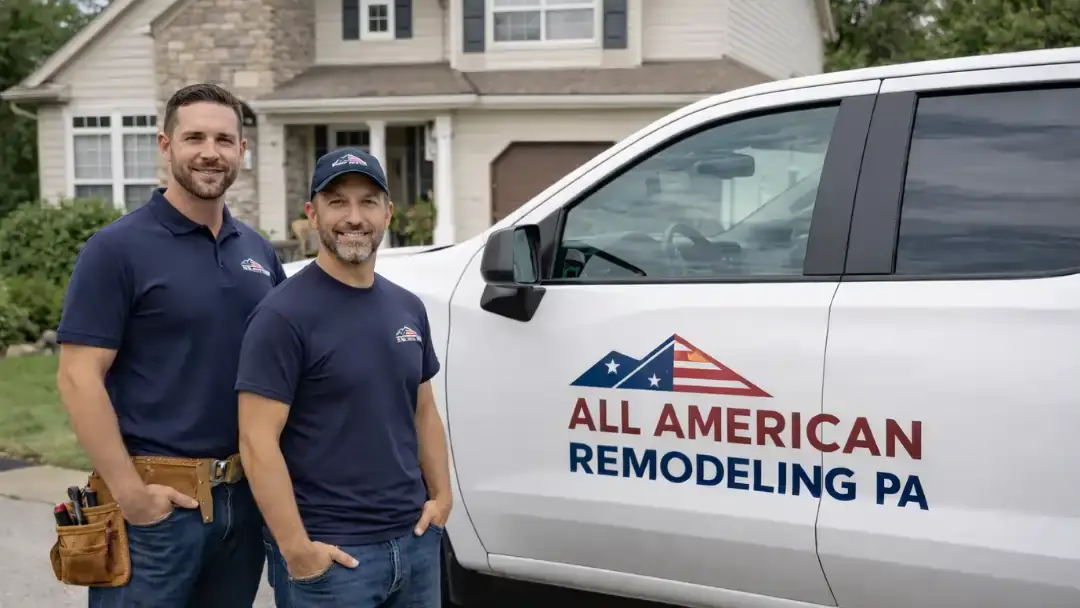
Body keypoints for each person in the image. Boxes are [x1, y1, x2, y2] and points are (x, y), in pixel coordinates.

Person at [54, 83, 287, 607]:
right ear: (165, 146)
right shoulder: (116, 249)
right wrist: (132, 497)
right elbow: (77, 377)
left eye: (225, 139)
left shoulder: (257, 253)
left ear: (242, 153)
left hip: (241, 504)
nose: (211, 151)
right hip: (156, 509)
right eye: (195, 137)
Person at [234, 147, 453, 607]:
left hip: (414, 542)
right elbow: (257, 442)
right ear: (312, 214)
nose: (354, 217)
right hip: (333, 556)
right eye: (338, 202)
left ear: (387, 213)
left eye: (368, 201)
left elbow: (424, 410)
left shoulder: (407, 307)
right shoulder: (282, 315)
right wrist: (297, 549)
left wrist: (442, 496)